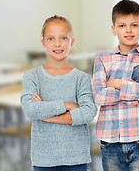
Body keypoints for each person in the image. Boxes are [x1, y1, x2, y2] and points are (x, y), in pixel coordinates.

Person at [21, 15, 97, 171]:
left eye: (63, 38)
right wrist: (67, 105)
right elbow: (30, 109)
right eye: (50, 39)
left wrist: (45, 115)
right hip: (44, 158)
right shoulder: (32, 76)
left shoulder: (82, 78)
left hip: (76, 156)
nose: (57, 44)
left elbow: (89, 112)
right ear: (43, 42)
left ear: (72, 42)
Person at [92, 0, 139, 171]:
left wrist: (117, 84)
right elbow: (99, 96)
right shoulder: (102, 59)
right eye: (122, 25)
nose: (128, 30)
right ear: (113, 29)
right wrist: (136, 93)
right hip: (110, 142)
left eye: (134, 25)